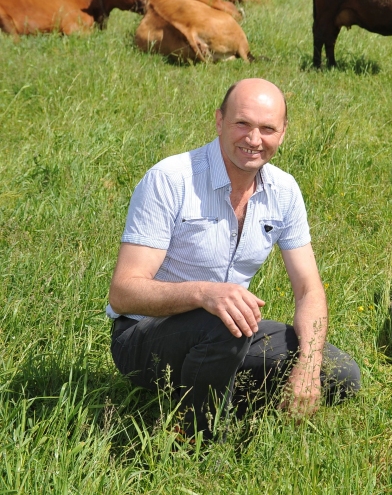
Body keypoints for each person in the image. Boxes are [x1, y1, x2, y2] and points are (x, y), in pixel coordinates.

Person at [107, 78, 360, 437]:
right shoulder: (170, 179)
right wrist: (204, 294)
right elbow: (123, 293)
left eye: (267, 128)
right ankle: (198, 437)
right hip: (143, 336)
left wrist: (307, 364)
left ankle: (211, 393)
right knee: (227, 321)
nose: (254, 139)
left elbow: (308, 290)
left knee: (340, 373)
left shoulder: (284, 191)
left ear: (283, 133)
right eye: (242, 123)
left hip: (227, 333)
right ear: (219, 121)